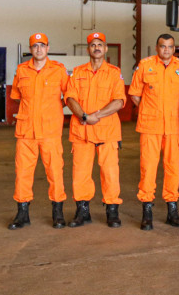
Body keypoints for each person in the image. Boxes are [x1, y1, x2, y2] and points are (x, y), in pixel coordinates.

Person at [65, 32, 127, 228]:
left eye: (100, 44)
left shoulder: (114, 73)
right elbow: (70, 99)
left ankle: (112, 211)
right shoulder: (77, 72)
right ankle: (83, 212)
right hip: (82, 132)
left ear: (106, 48)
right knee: (81, 173)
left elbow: (119, 101)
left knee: (110, 173)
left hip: (107, 132)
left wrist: (95, 116)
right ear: (88, 49)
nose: (97, 48)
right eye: (93, 45)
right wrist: (84, 116)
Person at [130, 34, 179, 231]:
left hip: (173, 127)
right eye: (163, 46)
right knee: (148, 168)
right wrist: (149, 111)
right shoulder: (145, 65)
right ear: (157, 48)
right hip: (150, 127)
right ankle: (147, 210)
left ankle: (172, 209)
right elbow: (135, 95)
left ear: (174, 49)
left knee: (173, 168)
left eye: (170, 47)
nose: (166, 50)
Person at [8, 33, 69, 230]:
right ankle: (22, 213)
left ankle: (57, 213)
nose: (39, 49)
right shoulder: (22, 70)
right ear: (31, 49)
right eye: (35, 46)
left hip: (50, 131)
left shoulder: (58, 71)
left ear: (48, 48)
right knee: (23, 173)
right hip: (26, 132)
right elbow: (17, 97)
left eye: (42, 46)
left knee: (55, 173)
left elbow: (69, 96)